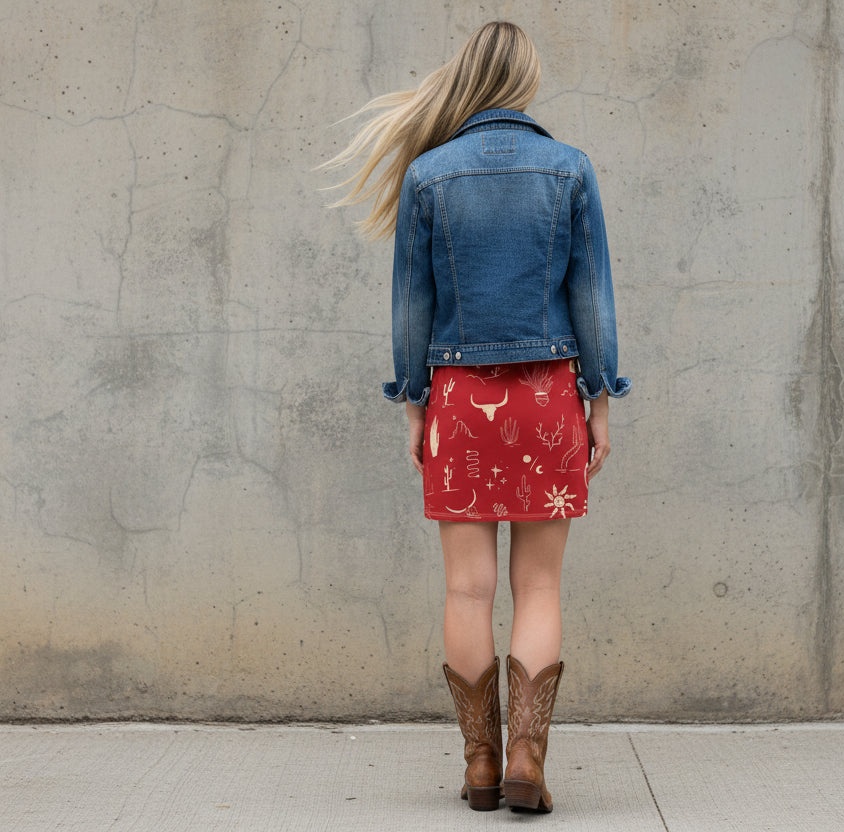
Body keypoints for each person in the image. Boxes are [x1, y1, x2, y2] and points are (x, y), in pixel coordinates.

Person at [321, 21, 630, 814]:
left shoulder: (429, 174)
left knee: (466, 590)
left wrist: (414, 405)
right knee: (539, 585)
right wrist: (599, 398)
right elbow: (591, 297)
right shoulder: (569, 168)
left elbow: (411, 308)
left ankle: (483, 766)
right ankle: (528, 758)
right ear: (524, 81)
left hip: (460, 403)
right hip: (549, 395)